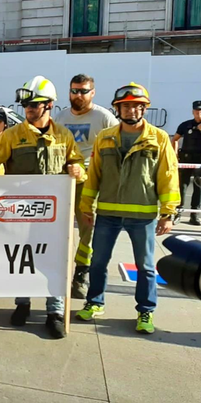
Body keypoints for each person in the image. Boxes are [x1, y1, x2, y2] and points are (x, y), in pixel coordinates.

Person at [0, 75, 85, 339]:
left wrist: (79, 170)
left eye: (35, 105)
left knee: (55, 260)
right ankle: (23, 304)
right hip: (21, 211)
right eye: (27, 106)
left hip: (54, 214)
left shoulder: (64, 136)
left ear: (49, 105)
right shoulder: (12, 135)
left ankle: (55, 311)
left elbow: (78, 164)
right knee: (24, 258)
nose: (29, 110)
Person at [76, 83, 179, 335]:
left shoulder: (158, 138)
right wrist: (86, 206)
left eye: (137, 105)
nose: (132, 110)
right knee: (98, 262)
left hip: (142, 215)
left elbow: (168, 175)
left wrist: (168, 212)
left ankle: (145, 310)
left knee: (145, 267)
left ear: (144, 109)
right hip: (107, 214)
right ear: (118, 108)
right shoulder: (105, 137)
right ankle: (94, 302)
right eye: (127, 105)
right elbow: (94, 175)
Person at [54, 74, 118, 299]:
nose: (78, 95)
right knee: (55, 230)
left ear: (93, 93)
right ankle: (55, 272)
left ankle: (80, 274)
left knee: (87, 232)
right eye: (74, 90)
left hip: (89, 184)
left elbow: (116, 151)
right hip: (61, 181)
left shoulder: (104, 118)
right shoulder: (60, 117)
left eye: (83, 91)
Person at [171, 100, 201, 225]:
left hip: (200, 161)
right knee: (182, 186)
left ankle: (194, 215)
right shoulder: (186, 125)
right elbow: (175, 139)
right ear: (193, 111)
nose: (199, 113)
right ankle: (178, 212)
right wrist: (174, 154)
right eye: (197, 110)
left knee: (198, 187)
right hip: (186, 159)